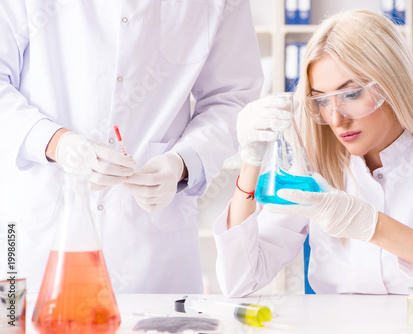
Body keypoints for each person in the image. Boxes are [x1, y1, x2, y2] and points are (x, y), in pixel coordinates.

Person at [213, 9, 413, 301]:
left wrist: (375, 227)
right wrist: (251, 159)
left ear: (392, 86)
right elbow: (240, 280)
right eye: (322, 100)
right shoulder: (313, 170)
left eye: (351, 94)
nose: (336, 119)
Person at [0, 0, 263, 294]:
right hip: (41, 231)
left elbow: (231, 96)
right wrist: (57, 143)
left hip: (151, 252)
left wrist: (183, 162)